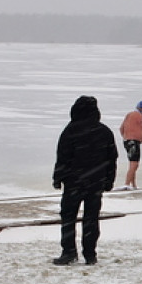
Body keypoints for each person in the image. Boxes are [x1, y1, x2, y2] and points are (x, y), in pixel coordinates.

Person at [52, 95, 118, 266]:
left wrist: (58, 178)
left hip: (74, 182)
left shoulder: (70, 130)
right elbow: (112, 159)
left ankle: (69, 252)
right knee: (91, 219)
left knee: (68, 217)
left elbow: (63, 157)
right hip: (95, 182)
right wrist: (109, 180)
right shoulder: (104, 131)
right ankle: (90, 254)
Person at [119, 100, 142, 190]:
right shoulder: (138, 116)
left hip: (127, 141)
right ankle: (127, 184)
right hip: (134, 141)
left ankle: (133, 184)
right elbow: (141, 128)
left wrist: (125, 137)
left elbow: (121, 128)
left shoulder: (129, 115)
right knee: (134, 164)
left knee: (132, 163)